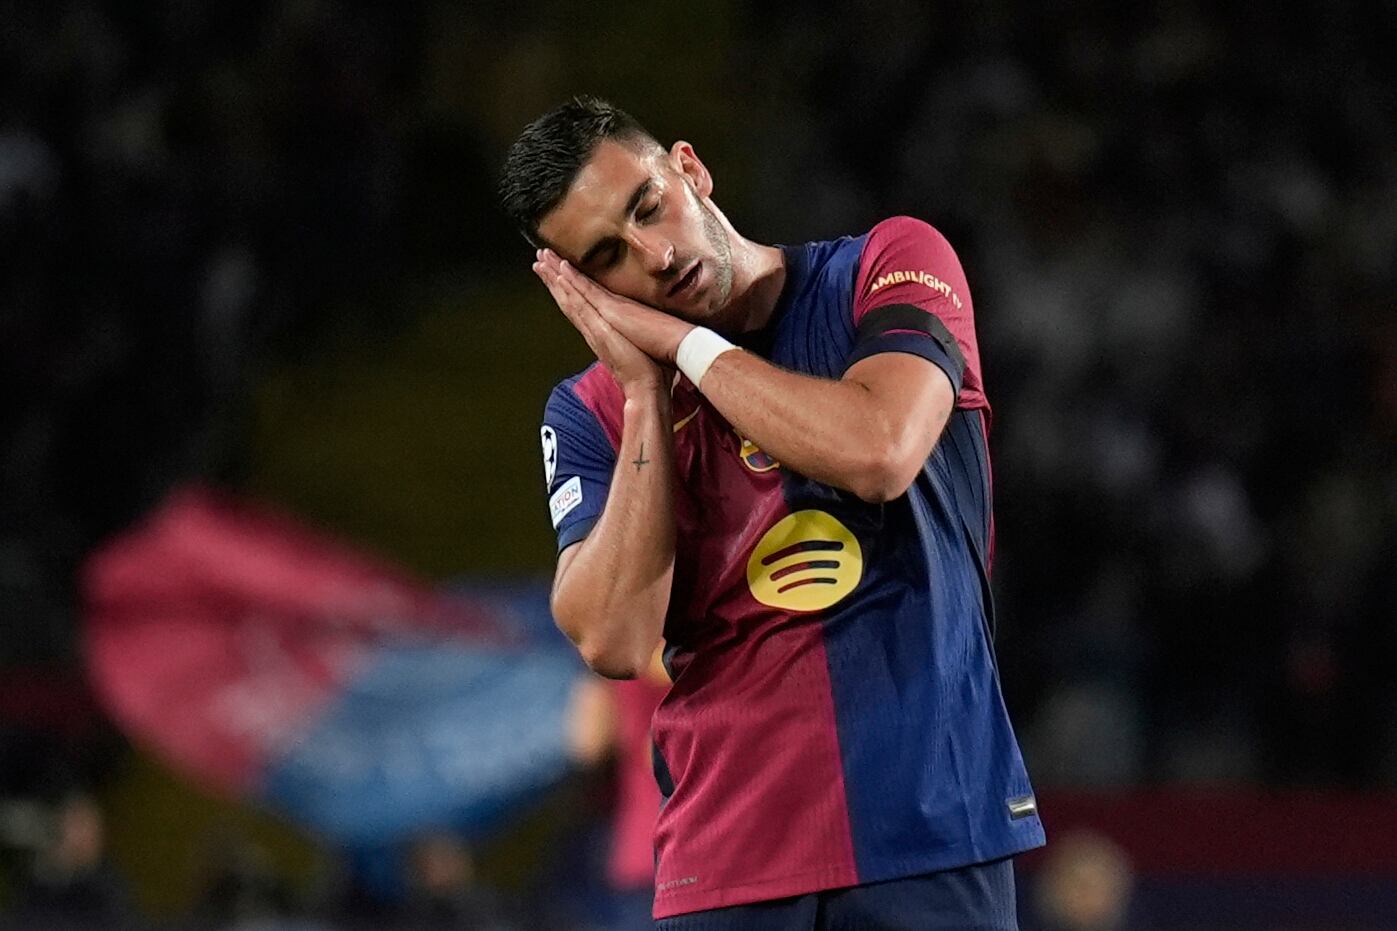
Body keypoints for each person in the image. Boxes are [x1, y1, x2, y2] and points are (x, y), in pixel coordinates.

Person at [500, 96, 1045, 930]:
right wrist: (647, 394)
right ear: (580, 287)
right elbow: (612, 638)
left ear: (689, 166)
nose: (654, 254)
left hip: (928, 835)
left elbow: (879, 451)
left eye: (648, 206)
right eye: (608, 255)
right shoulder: (590, 411)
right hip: (722, 870)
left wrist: (687, 347)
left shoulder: (887, 266)